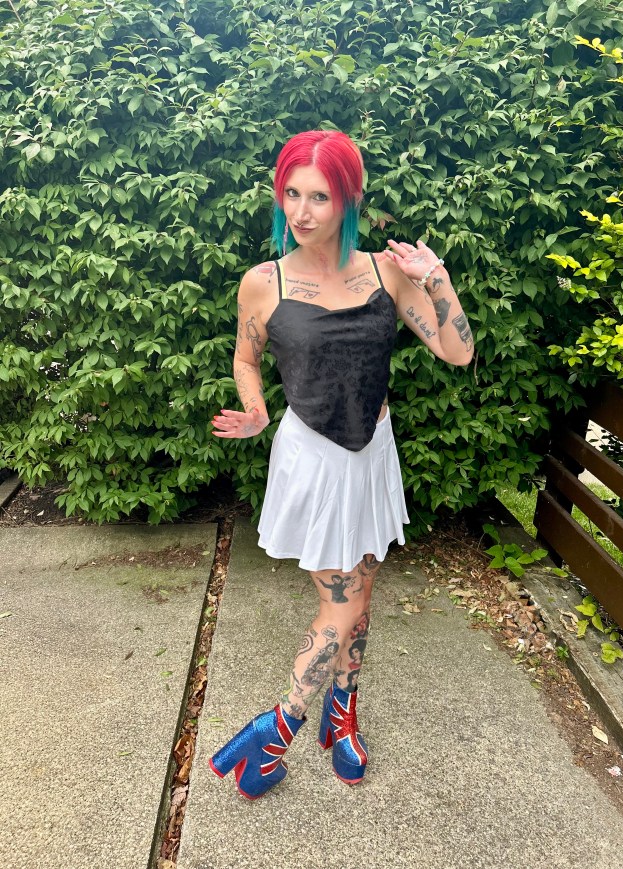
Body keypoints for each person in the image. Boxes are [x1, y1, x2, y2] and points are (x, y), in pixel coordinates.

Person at [208, 129, 474, 800]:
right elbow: (245, 357)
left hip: (373, 455)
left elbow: (458, 351)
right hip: (314, 463)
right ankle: (278, 726)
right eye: (291, 194)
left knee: (363, 594)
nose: (301, 212)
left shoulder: (385, 273)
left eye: (319, 197)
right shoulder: (263, 283)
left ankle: (342, 712)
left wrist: (436, 279)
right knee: (341, 601)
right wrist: (256, 409)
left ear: (348, 199)